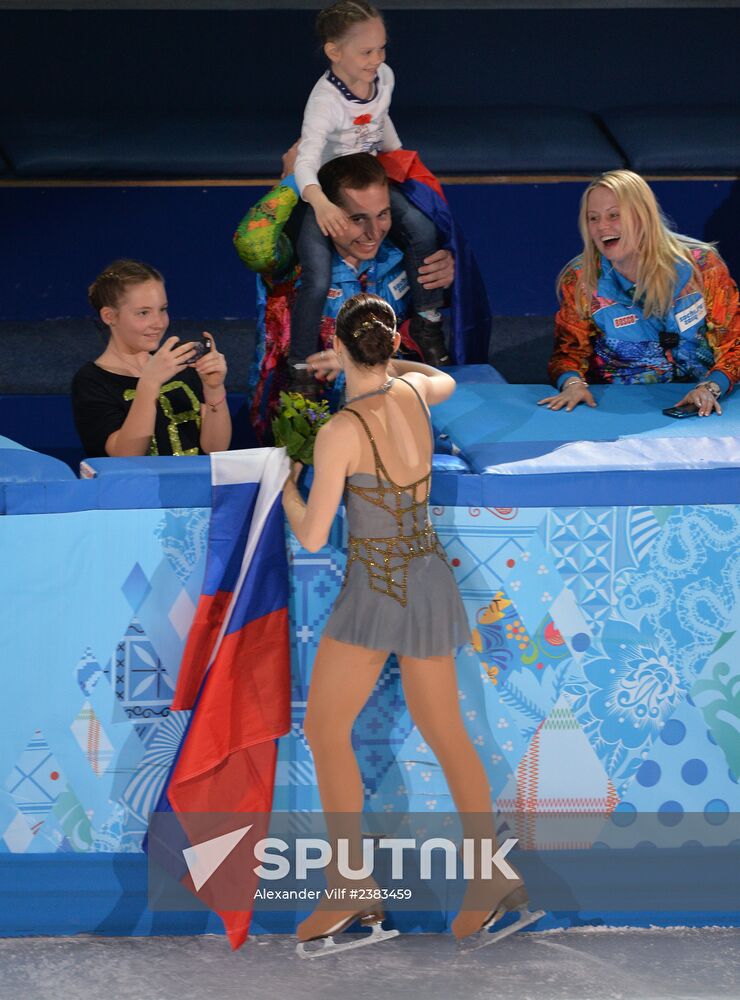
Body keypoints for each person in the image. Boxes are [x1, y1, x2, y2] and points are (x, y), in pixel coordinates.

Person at [282, 293, 540, 955]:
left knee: (323, 727)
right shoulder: (415, 394)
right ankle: (491, 877)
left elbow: (313, 535)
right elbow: (441, 377)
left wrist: (281, 478)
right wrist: (378, 361)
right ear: (394, 346)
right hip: (427, 577)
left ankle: (350, 885)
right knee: (448, 733)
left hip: (377, 586)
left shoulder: (340, 431)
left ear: (340, 348)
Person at [234, 152, 455, 437]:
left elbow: (420, 338)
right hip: (306, 428)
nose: (373, 233)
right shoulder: (293, 264)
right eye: (357, 218)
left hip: (388, 424)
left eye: (383, 214)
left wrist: (449, 277)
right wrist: (298, 179)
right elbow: (253, 244)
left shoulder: (404, 259)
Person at [288, 0, 447, 390]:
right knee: (317, 274)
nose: (377, 58)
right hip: (327, 191)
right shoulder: (325, 101)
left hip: (369, 179)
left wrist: (399, 157)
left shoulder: (385, 76)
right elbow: (304, 161)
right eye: (367, 51)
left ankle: (427, 324)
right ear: (334, 51)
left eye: (382, 48)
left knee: (424, 233)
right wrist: (321, 204)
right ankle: (300, 365)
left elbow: (381, 115)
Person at [539, 169, 740, 416]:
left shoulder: (703, 267)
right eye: (593, 218)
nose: (602, 227)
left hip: (704, 403)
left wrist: (711, 388)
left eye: (614, 215)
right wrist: (572, 383)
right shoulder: (581, 279)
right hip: (616, 405)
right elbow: (568, 352)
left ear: (643, 217)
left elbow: (734, 345)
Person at [71, 260, 231, 457]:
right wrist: (149, 384)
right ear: (109, 316)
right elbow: (126, 457)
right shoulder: (92, 381)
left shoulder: (180, 363)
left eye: (162, 309)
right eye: (143, 313)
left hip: (193, 485)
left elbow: (215, 448)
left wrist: (214, 389)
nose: (158, 323)